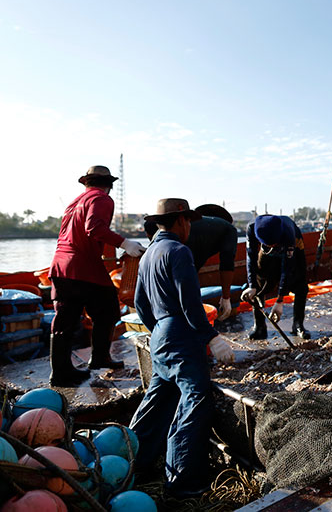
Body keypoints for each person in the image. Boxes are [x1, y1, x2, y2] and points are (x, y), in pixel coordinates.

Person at [129, 198, 235, 499]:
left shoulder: (148, 254)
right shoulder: (178, 251)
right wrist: (210, 337)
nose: (190, 226)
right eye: (188, 221)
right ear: (180, 222)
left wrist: (160, 329)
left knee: (156, 401)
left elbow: (140, 304)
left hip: (160, 336)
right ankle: (184, 483)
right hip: (181, 336)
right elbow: (191, 303)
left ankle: (134, 464)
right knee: (195, 400)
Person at [48, 165, 146, 386]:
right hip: (81, 268)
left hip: (62, 266)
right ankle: (65, 372)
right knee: (108, 311)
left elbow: (83, 234)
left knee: (69, 318)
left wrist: (116, 248)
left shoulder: (75, 202)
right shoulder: (102, 199)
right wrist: (125, 243)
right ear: (109, 184)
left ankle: (95, 360)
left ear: (87, 183)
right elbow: (94, 228)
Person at [144, 205, 238, 321]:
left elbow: (140, 300)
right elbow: (227, 263)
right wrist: (226, 298)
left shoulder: (154, 244)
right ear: (182, 221)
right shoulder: (228, 229)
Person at [242, 214, 310, 340]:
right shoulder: (251, 228)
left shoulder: (288, 232)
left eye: (274, 244)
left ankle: (298, 325)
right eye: (270, 245)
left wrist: (280, 300)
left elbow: (287, 268)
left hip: (293, 249)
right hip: (266, 254)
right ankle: (260, 327)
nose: (273, 246)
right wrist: (252, 285)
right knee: (258, 285)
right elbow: (250, 257)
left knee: (301, 284)